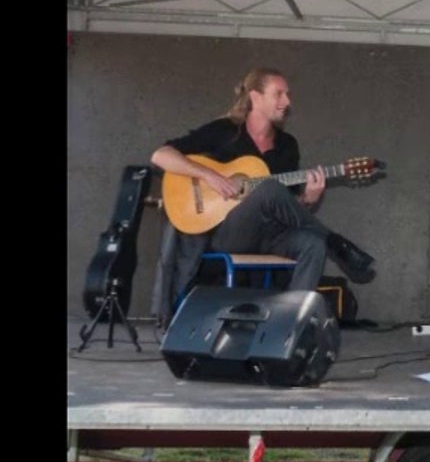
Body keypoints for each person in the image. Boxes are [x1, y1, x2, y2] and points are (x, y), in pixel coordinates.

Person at [150, 68, 375, 315]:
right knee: (269, 187)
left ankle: (290, 323)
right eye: (279, 94)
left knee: (313, 243)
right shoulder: (225, 131)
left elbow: (288, 205)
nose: (287, 102)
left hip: (269, 235)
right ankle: (338, 245)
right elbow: (161, 155)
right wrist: (209, 175)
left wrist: (309, 198)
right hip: (226, 233)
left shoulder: (287, 145)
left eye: (287, 95)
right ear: (256, 97)